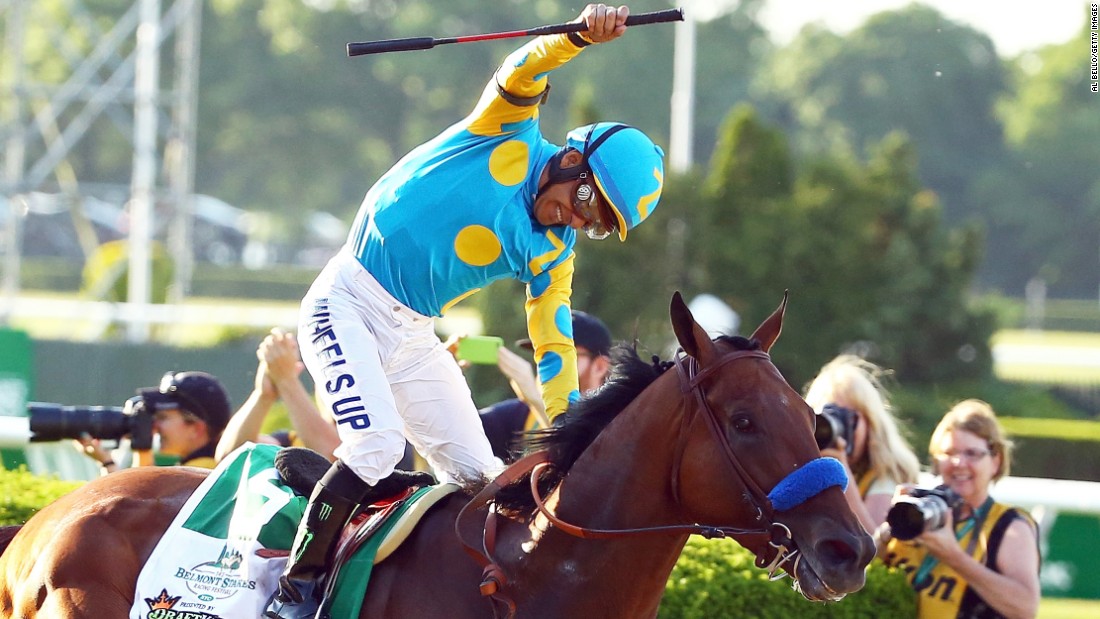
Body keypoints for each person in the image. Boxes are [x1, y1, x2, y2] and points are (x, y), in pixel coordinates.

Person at [268, 5, 665, 617]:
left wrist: (572, 434)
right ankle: (296, 587)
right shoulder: (507, 129)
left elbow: (553, 343)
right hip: (343, 302)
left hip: (411, 335)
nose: (578, 220)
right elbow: (526, 63)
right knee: (376, 445)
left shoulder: (552, 251)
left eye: (597, 224)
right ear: (571, 158)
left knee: (484, 481)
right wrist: (581, 36)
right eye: (588, 200)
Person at [881, 399, 1041, 619]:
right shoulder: (917, 514)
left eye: (972, 453)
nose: (958, 462)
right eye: (948, 452)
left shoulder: (1009, 526)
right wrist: (888, 528)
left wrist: (953, 556)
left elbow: (1025, 608)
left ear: (995, 461)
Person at [803, 354, 921, 534]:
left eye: (848, 418)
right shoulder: (804, 468)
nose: (836, 427)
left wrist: (841, 472)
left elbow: (873, 546)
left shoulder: (887, 474)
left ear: (871, 423)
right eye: (827, 417)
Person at [479, 310, 613, 461]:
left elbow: (581, 458)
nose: (544, 364)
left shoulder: (614, 420)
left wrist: (537, 401)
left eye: (559, 355)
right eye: (540, 353)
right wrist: (450, 377)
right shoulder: (521, 413)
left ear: (600, 366)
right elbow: (461, 435)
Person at [215, 328, 341, 462]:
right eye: (329, 379)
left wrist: (286, 381)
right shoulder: (295, 441)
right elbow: (230, 459)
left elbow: (333, 457)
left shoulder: (363, 442)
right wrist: (263, 395)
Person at [75, 371, 232, 472]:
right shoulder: (203, 466)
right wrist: (143, 450)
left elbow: (135, 513)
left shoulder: (203, 472)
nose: (154, 426)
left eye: (163, 418)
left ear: (195, 429)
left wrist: (107, 463)